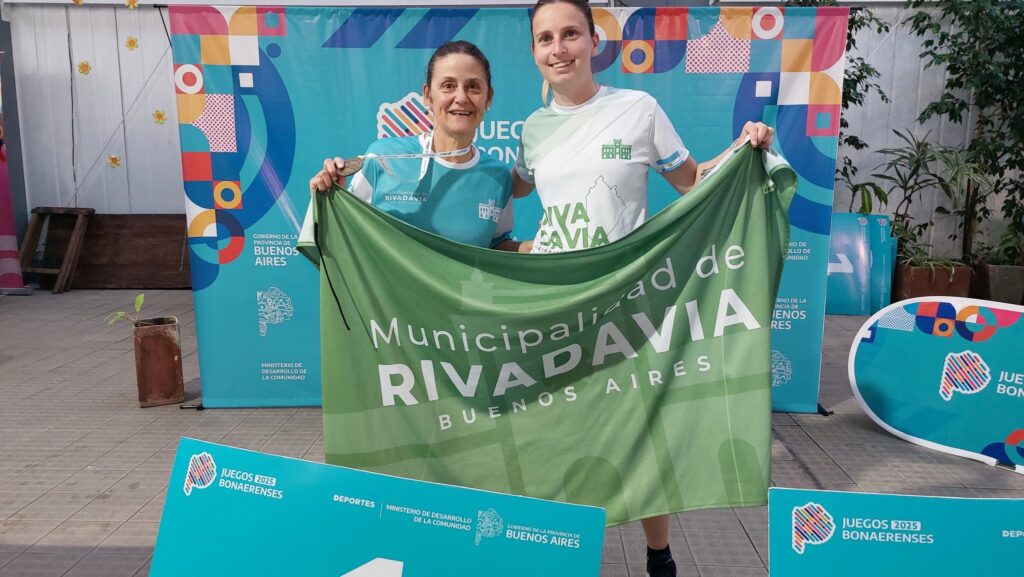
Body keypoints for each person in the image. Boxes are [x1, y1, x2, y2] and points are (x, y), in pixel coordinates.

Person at [512, 1, 775, 575]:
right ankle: (559, 550)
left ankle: (660, 557)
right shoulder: (532, 130)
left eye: (570, 34)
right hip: (557, 306)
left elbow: (692, 181)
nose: (559, 48)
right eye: (545, 39)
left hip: (629, 301)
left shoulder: (638, 109)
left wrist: (744, 146)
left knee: (641, 431)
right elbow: (511, 190)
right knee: (560, 434)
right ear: (533, 51)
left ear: (593, 41)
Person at [304, 41, 520, 251]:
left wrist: (535, 249)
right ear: (427, 95)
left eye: (473, 87)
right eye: (448, 86)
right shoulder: (382, 158)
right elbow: (341, 239)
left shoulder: (498, 177)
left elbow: (497, 248)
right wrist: (329, 199)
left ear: (488, 98)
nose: (461, 97)